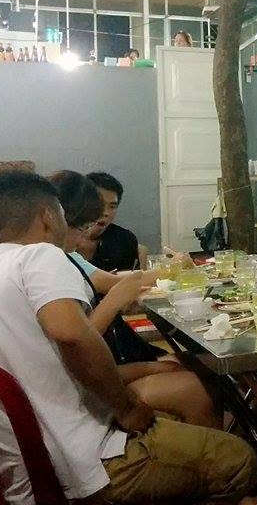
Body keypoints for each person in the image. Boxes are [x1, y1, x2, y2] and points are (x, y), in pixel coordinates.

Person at [0, 171, 257, 504]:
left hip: (33, 462)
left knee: (177, 416)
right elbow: (72, 335)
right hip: (84, 462)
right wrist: (126, 407)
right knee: (239, 460)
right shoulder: (38, 255)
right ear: (48, 216)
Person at [49, 171, 219, 429]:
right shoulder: (50, 267)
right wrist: (115, 299)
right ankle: (209, 446)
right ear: (53, 218)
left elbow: (114, 281)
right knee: (192, 380)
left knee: (197, 366)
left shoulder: (71, 256)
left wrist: (170, 268)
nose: (103, 217)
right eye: (82, 225)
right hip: (83, 379)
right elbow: (78, 343)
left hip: (102, 357)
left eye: (112, 206)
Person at [78, 172, 147, 272]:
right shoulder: (62, 239)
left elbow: (129, 279)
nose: (105, 213)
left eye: (112, 207)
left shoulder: (124, 240)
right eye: (100, 204)